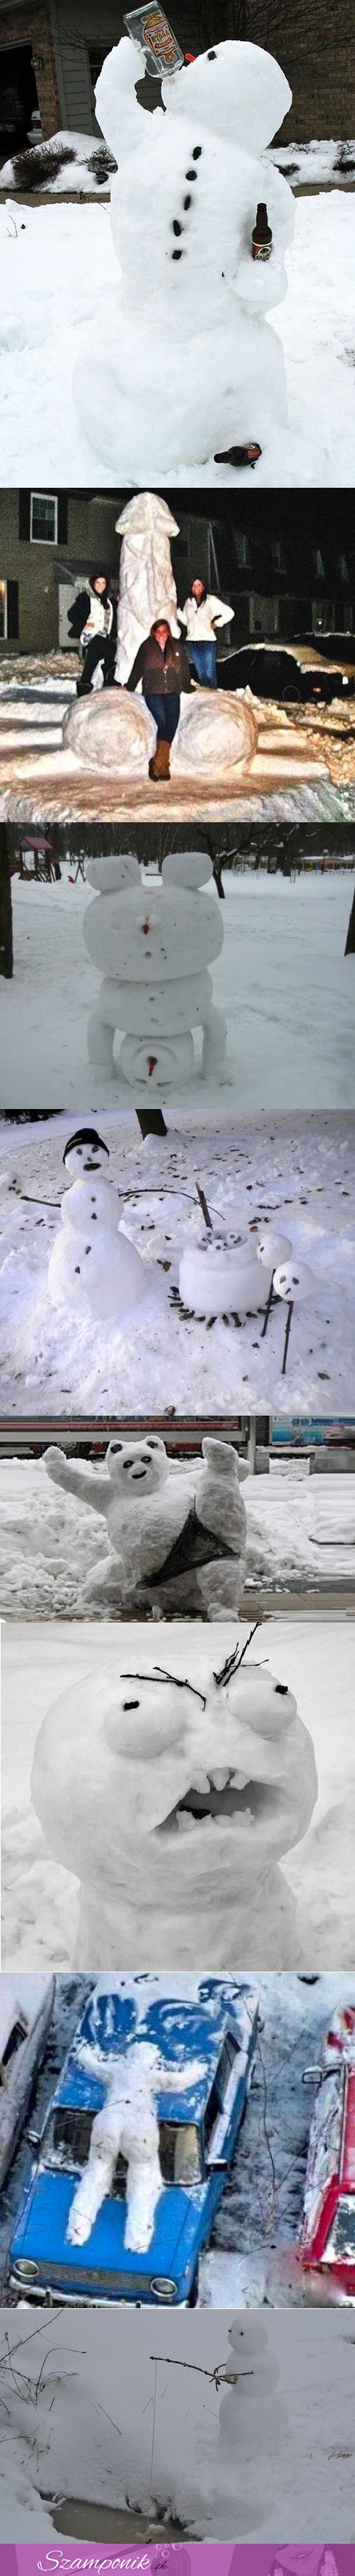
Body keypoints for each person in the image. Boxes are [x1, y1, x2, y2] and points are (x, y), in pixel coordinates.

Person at [125, 616, 191, 778]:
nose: (162, 634)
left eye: (164, 631)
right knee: (163, 723)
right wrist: (130, 685)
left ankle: (158, 763)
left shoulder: (176, 646)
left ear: (168, 632)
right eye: (158, 631)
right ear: (154, 633)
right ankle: (162, 765)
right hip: (153, 691)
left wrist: (187, 685)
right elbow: (138, 667)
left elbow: (183, 668)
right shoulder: (147, 647)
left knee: (173, 723)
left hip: (172, 690)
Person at [178, 577, 233, 687]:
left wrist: (217, 623)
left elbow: (230, 613)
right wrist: (177, 611)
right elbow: (187, 621)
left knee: (210, 674)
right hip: (192, 642)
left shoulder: (211, 601)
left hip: (208, 642)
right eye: (194, 585)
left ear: (203, 587)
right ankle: (207, 698)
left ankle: (214, 696)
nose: (196, 588)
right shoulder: (188, 602)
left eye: (199, 585)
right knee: (201, 674)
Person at [76, 572, 117, 695]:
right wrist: (84, 624)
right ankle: (84, 685)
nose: (100, 586)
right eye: (98, 583)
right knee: (96, 653)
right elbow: (72, 614)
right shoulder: (87, 598)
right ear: (93, 584)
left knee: (111, 648)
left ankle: (107, 679)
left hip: (104, 637)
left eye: (103, 583)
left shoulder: (108, 601)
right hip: (91, 635)